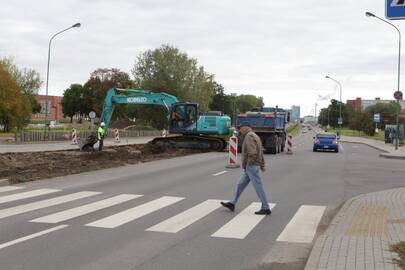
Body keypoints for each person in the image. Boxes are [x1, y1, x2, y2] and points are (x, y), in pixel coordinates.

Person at [221, 122, 271, 215]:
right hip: (252, 165)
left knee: (258, 187)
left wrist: (249, 164)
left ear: (245, 128)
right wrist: (261, 164)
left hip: (251, 166)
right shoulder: (255, 136)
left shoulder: (249, 137)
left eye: (240, 128)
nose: (239, 130)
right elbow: (260, 151)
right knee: (240, 184)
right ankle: (232, 203)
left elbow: (252, 152)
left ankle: (266, 207)